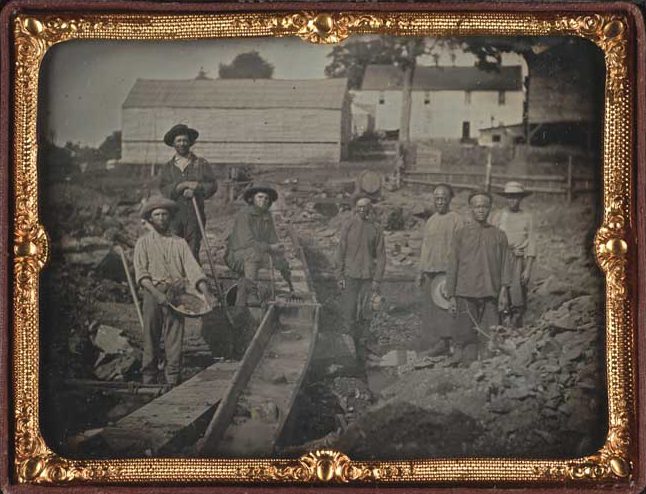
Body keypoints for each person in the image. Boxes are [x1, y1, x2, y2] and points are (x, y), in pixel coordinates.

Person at [133, 196, 216, 387]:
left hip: (177, 294)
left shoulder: (179, 243)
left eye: (164, 215)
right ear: (151, 218)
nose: (161, 218)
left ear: (170, 218)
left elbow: (193, 270)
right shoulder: (143, 243)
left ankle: (172, 380)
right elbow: (142, 274)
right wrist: (157, 294)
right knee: (151, 337)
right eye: (157, 215)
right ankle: (149, 380)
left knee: (174, 339)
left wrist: (206, 293)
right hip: (153, 293)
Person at [445, 191, 511, 364]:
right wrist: (451, 295)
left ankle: (486, 369)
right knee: (465, 336)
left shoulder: (499, 235)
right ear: (470, 208)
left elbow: (505, 263)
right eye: (477, 206)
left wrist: (504, 290)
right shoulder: (461, 234)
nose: (481, 210)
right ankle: (464, 366)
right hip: (466, 292)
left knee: (491, 335)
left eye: (484, 206)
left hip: (491, 292)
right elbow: (453, 264)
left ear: (490, 208)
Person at [336, 197, 386, 367]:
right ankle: (350, 353)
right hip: (350, 276)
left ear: (370, 208)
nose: (363, 210)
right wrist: (340, 276)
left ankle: (363, 350)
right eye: (359, 207)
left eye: (366, 207)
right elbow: (340, 253)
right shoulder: (348, 226)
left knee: (366, 314)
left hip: (367, 278)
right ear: (355, 208)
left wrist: (377, 280)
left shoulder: (376, 228)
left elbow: (381, 257)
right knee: (349, 313)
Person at [225, 183, 294, 306]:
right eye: (260, 197)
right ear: (252, 199)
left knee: (277, 256)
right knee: (253, 253)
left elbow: (273, 239)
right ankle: (251, 294)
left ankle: (290, 288)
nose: (264, 201)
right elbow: (247, 242)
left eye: (266, 198)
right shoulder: (244, 215)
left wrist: (280, 256)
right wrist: (270, 247)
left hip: (257, 254)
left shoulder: (267, 216)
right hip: (237, 255)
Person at [416, 184, 463, 355]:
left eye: (444, 198)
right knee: (432, 309)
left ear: (450, 199)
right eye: (437, 198)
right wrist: (420, 271)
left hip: (447, 272)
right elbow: (425, 247)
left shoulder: (456, 219)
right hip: (430, 270)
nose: (440, 202)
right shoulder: (431, 221)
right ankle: (438, 344)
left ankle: (453, 344)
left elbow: (462, 248)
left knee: (448, 307)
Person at [159, 124, 217, 261]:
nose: (182, 144)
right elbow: (163, 189)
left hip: (194, 214)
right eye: (178, 141)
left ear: (190, 142)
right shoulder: (168, 167)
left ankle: (193, 280)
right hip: (174, 215)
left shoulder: (201, 164)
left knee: (192, 250)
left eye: (185, 140)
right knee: (174, 249)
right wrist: (180, 186)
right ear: (173, 144)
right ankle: (176, 280)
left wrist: (198, 188)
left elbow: (213, 185)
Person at [490, 181, 536, 328]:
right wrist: (506, 250)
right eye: (510, 197)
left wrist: (528, 268)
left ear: (521, 199)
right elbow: (493, 240)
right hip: (501, 258)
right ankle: (501, 323)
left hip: (518, 259)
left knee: (517, 290)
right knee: (501, 289)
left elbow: (531, 243)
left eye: (516, 197)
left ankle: (516, 325)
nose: (513, 201)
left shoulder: (527, 217)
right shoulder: (498, 216)